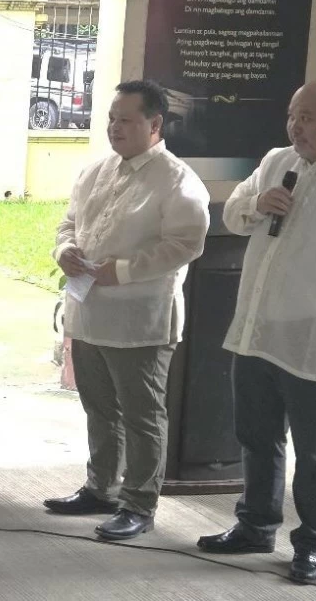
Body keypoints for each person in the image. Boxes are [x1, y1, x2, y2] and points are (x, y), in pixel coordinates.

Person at [197, 80, 316, 585]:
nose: (296, 126)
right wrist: (256, 206)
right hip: (256, 328)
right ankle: (256, 524)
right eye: (293, 115)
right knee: (255, 434)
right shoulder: (276, 160)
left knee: (315, 449)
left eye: (310, 117)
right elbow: (232, 212)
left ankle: (312, 544)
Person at [44, 80, 210, 541]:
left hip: (140, 318)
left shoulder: (176, 179)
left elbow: (186, 243)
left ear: (154, 125)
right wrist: (64, 250)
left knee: (141, 415)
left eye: (126, 120)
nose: (114, 127)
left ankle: (139, 503)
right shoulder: (96, 170)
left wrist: (125, 271)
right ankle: (101, 488)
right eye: (112, 118)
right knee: (98, 408)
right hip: (89, 310)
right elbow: (69, 223)